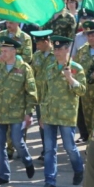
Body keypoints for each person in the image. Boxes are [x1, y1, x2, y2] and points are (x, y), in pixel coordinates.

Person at [0, 36, 38, 185]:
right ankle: (3, 175)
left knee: (17, 141)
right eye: (1, 51)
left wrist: (29, 113)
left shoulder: (24, 68)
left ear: (14, 51)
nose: (3, 54)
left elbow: (31, 92)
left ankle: (27, 161)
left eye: (6, 51)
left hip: (17, 113)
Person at [39, 36, 86, 187]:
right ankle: (50, 180)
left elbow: (82, 91)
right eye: (56, 49)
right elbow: (44, 93)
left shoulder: (76, 68)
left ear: (68, 49)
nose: (57, 52)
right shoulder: (50, 68)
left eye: (60, 49)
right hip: (51, 113)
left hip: (66, 114)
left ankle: (79, 170)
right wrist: (42, 115)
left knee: (69, 147)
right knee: (49, 149)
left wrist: (70, 79)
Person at [30, 29, 57, 161]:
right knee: (43, 124)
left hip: (55, 95)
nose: (37, 46)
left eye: (39, 43)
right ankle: (46, 150)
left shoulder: (56, 54)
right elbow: (32, 74)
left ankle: (53, 149)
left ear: (46, 42)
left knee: (56, 124)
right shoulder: (36, 56)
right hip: (40, 96)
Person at [75, 19, 94, 141]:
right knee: (88, 122)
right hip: (85, 94)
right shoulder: (82, 50)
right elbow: (76, 68)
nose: (90, 38)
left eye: (93, 35)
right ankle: (91, 145)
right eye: (88, 35)